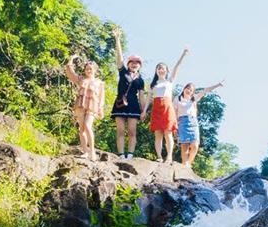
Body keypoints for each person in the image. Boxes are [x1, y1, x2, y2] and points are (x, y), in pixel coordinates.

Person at [148, 46, 190, 162]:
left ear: (166, 70)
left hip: (167, 107)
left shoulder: (169, 81)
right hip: (156, 107)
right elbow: (148, 98)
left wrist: (183, 54)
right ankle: (159, 157)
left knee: (168, 133)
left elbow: (177, 66)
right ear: (156, 71)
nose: (161, 70)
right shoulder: (153, 84)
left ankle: (169, 156)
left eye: (163, 68)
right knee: (158, 134)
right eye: (159, 68)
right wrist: (144, 110)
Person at [110, 29, 145, 158]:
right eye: (132, 62)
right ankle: (121, 155)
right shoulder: (123, 72)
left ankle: (130, 154)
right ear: (129, 64)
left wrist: (143, 110)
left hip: (134, 105)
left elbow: (141, 96)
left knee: (132, 131)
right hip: (120, 103)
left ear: (140, 66)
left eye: (137, 63)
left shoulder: (140, 80)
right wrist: (117, 39)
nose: (134, 64)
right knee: (120, 131)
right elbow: (119, 58)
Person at [174, 80, 223, 169]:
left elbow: (205, 90)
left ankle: (189, 162)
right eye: (188, 88)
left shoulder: (194, 99)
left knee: (195, 145)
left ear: (193, 92)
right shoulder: (177, 99)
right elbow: (174, 112)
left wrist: (218, 84)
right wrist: (175, 125)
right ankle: (184, 165)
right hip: (182, 122)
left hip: (193, 122)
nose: (189, 91)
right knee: (184, 146)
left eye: (191, 90)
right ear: (184, 88)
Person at [63, 54, 105, 157]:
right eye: (87, 69)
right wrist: (71, 59)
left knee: (87, 125)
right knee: (81, 129)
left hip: (92, 105)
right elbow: (70, 72)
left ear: (95, 70)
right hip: (80, 104)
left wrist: (100, 108)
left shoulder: (99, 83)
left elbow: (101, 97)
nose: (88, 71)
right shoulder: (81, 79)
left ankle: (92, 151)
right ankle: (85, 151)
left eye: (90, 69)